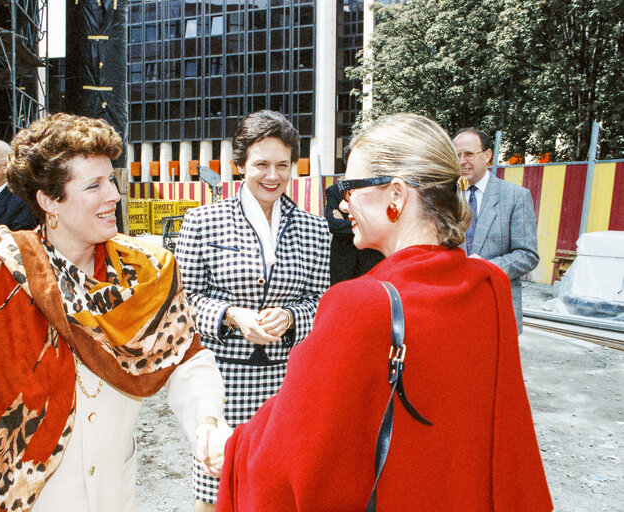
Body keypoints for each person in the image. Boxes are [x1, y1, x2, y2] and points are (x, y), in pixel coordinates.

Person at [215, 114, 553, 511]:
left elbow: (290, 458)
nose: (343, 203)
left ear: (396, 195)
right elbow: (507, 440)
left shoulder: (359, 304)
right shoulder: (488, 284)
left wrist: (231, 447)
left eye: (351, 187)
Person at [0, 113, 226, 511]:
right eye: (93, 185)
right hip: (33, 500)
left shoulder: (145, 272)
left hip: (114, 492)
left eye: (110, 179)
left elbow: (187, 359)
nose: (113, 195)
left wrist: (206, 424)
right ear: (48, 200)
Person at [175, 110, 331, 511]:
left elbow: (321, 302)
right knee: (217, 491)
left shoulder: (315, 229)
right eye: (261, 164)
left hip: (288, 385)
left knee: (277, 493)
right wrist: (231, 315)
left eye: (283, 165)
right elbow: (186, 302)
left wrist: (294, 316)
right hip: (222, 387)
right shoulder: (203, 222)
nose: (272, 175)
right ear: (239, 165)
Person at [452, 128, 539, 333]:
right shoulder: (445, 198)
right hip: (452, 308)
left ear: (488, 155)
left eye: (469, 154)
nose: (462, 161)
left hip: (496, 306)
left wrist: (486, 268)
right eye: (457, 155)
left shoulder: (515, 197)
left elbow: (528, 255)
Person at [324, 182, 383, 285]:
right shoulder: (334, 191)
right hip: (343, 258)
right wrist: (362, 223)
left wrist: (347, 222)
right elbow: (333, 224)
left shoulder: (375, 188)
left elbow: (378, 221)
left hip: (371, 256)